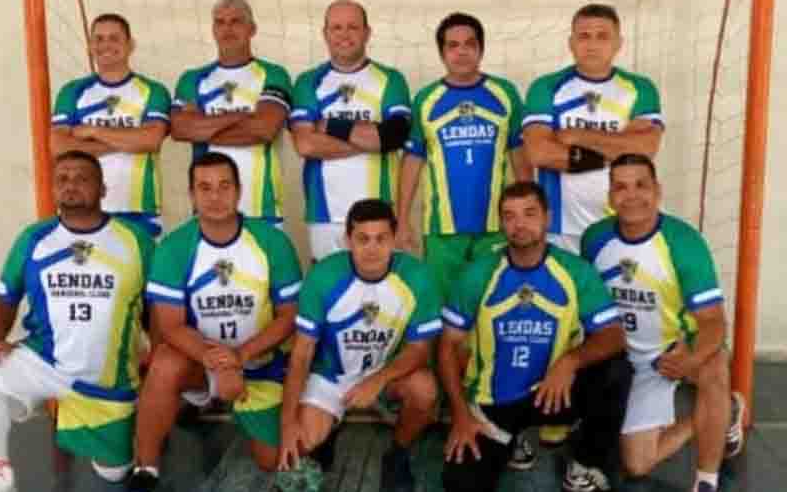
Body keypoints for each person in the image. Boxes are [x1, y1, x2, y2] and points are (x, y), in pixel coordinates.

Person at [0, 151, 154, 492]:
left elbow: (155, 309)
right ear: (53, 189)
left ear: (102, 189)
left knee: (115, 475)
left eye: (82, 178)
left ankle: (115, 456)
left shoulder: (135, 241)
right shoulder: (33, 239)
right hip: (43, 361)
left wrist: (160, 361)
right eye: (62, 179)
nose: (71, 185)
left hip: (106, 380)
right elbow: (5, 297)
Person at [440, 182, 632, 492]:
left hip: (552, 391)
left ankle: (583, 461)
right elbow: (447, 346)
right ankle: (510, 438)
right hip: (494, 400)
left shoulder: (575, 271)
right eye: (510, 216)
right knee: (460, 483)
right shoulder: (477, 274)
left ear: (547, 217)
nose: (520, 224)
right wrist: (460, 415)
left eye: (530, 214)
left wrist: (570, 361)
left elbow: (613, 336)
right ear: (501, 223)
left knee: (616, 371)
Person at [127, 152, 303, 491]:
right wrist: (218, 363)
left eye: (224, 186)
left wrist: (241, 357)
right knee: (164, 362)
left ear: (239, 192)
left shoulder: (272, 242)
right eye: (204, 188)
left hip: (260, 363)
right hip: (201, 361)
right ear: (192, 195)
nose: (215, 196)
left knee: (271, 460)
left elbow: (289, 317)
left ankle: (250, 412)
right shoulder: (175, 247)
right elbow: (171, 326)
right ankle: (145, 469)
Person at [581, 154, 745, 492]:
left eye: (641, 185)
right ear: (610, 197)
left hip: (676, 350)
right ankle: (724, 412)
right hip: (630, 361)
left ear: (657, 191)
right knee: (637, 465)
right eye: (621, 187)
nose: (631, 196)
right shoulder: (594, 239)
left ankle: (706, 480)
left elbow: (714, 322)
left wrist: (691, 358)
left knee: (715, 368)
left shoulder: (683, 243)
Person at [277, 199, 441, 492]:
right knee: (300, 443)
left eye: (381, 238)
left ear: (394, 239)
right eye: (362, 239)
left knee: (425, 392)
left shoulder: (417, 277)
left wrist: (377, 380)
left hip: (386, 373)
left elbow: (419, 350)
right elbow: (302, 355)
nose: (372, 249)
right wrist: (288, 423)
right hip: (331, 376)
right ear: (347, 240)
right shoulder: (323, 277)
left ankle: (398, 454)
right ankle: (325, 436)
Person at [396, 11, 529, 299]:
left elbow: (520, 154)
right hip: (442, 232)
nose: (462, 51)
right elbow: (413, 161)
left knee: (490, 305)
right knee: (443, 309)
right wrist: (402, 219)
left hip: (495, 227)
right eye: (452, 45)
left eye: (470, 43)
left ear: (481, 49)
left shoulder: (504, 94)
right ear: (442, 53)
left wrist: (530, 213)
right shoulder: (426, 99)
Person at [522, 3, 664, 254]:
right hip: (559, 229)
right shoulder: (546, 88)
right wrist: (615, 153)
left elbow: (644, 150)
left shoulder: (640, 89)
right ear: (571, 42)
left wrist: (578, 136)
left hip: (621, 225)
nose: (592, 44)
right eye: (584, 36)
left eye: (602, 36)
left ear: (618, 43)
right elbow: (540, 153)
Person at [290, 0, 412, 260]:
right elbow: (305, 145)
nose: (344, 35)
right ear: (325, 34)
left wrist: (332, 126)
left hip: (379, 212)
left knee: (379, 292)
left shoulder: (391, 80)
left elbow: (395, 136)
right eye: (336, 28)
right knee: (329, 291)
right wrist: (373, 139)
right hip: (324, 214)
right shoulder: (307, 82)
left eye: (353, 27)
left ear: (367, 33)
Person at [171, 0, 293, 226]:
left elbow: (265, 129)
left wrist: (203, 126)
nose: (227, 29)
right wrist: (241, 116)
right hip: (207, 211)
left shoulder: (274, 74)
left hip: (262, 210)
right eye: (220, 22)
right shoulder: (192, 79)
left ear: (252, 29)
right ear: (213, 29)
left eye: (236, 21)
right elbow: (179, 129)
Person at [51, 14, 171, 237]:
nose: (106, 45)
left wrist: (94, 132)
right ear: (90, 46)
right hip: (82, 211)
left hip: (139, 211)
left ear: (130, 44)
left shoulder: (154, 91)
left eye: (114, 38)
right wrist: (128, 140)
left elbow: (151, 140)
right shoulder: (72, 92)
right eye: (99, 39)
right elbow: (59, 147)